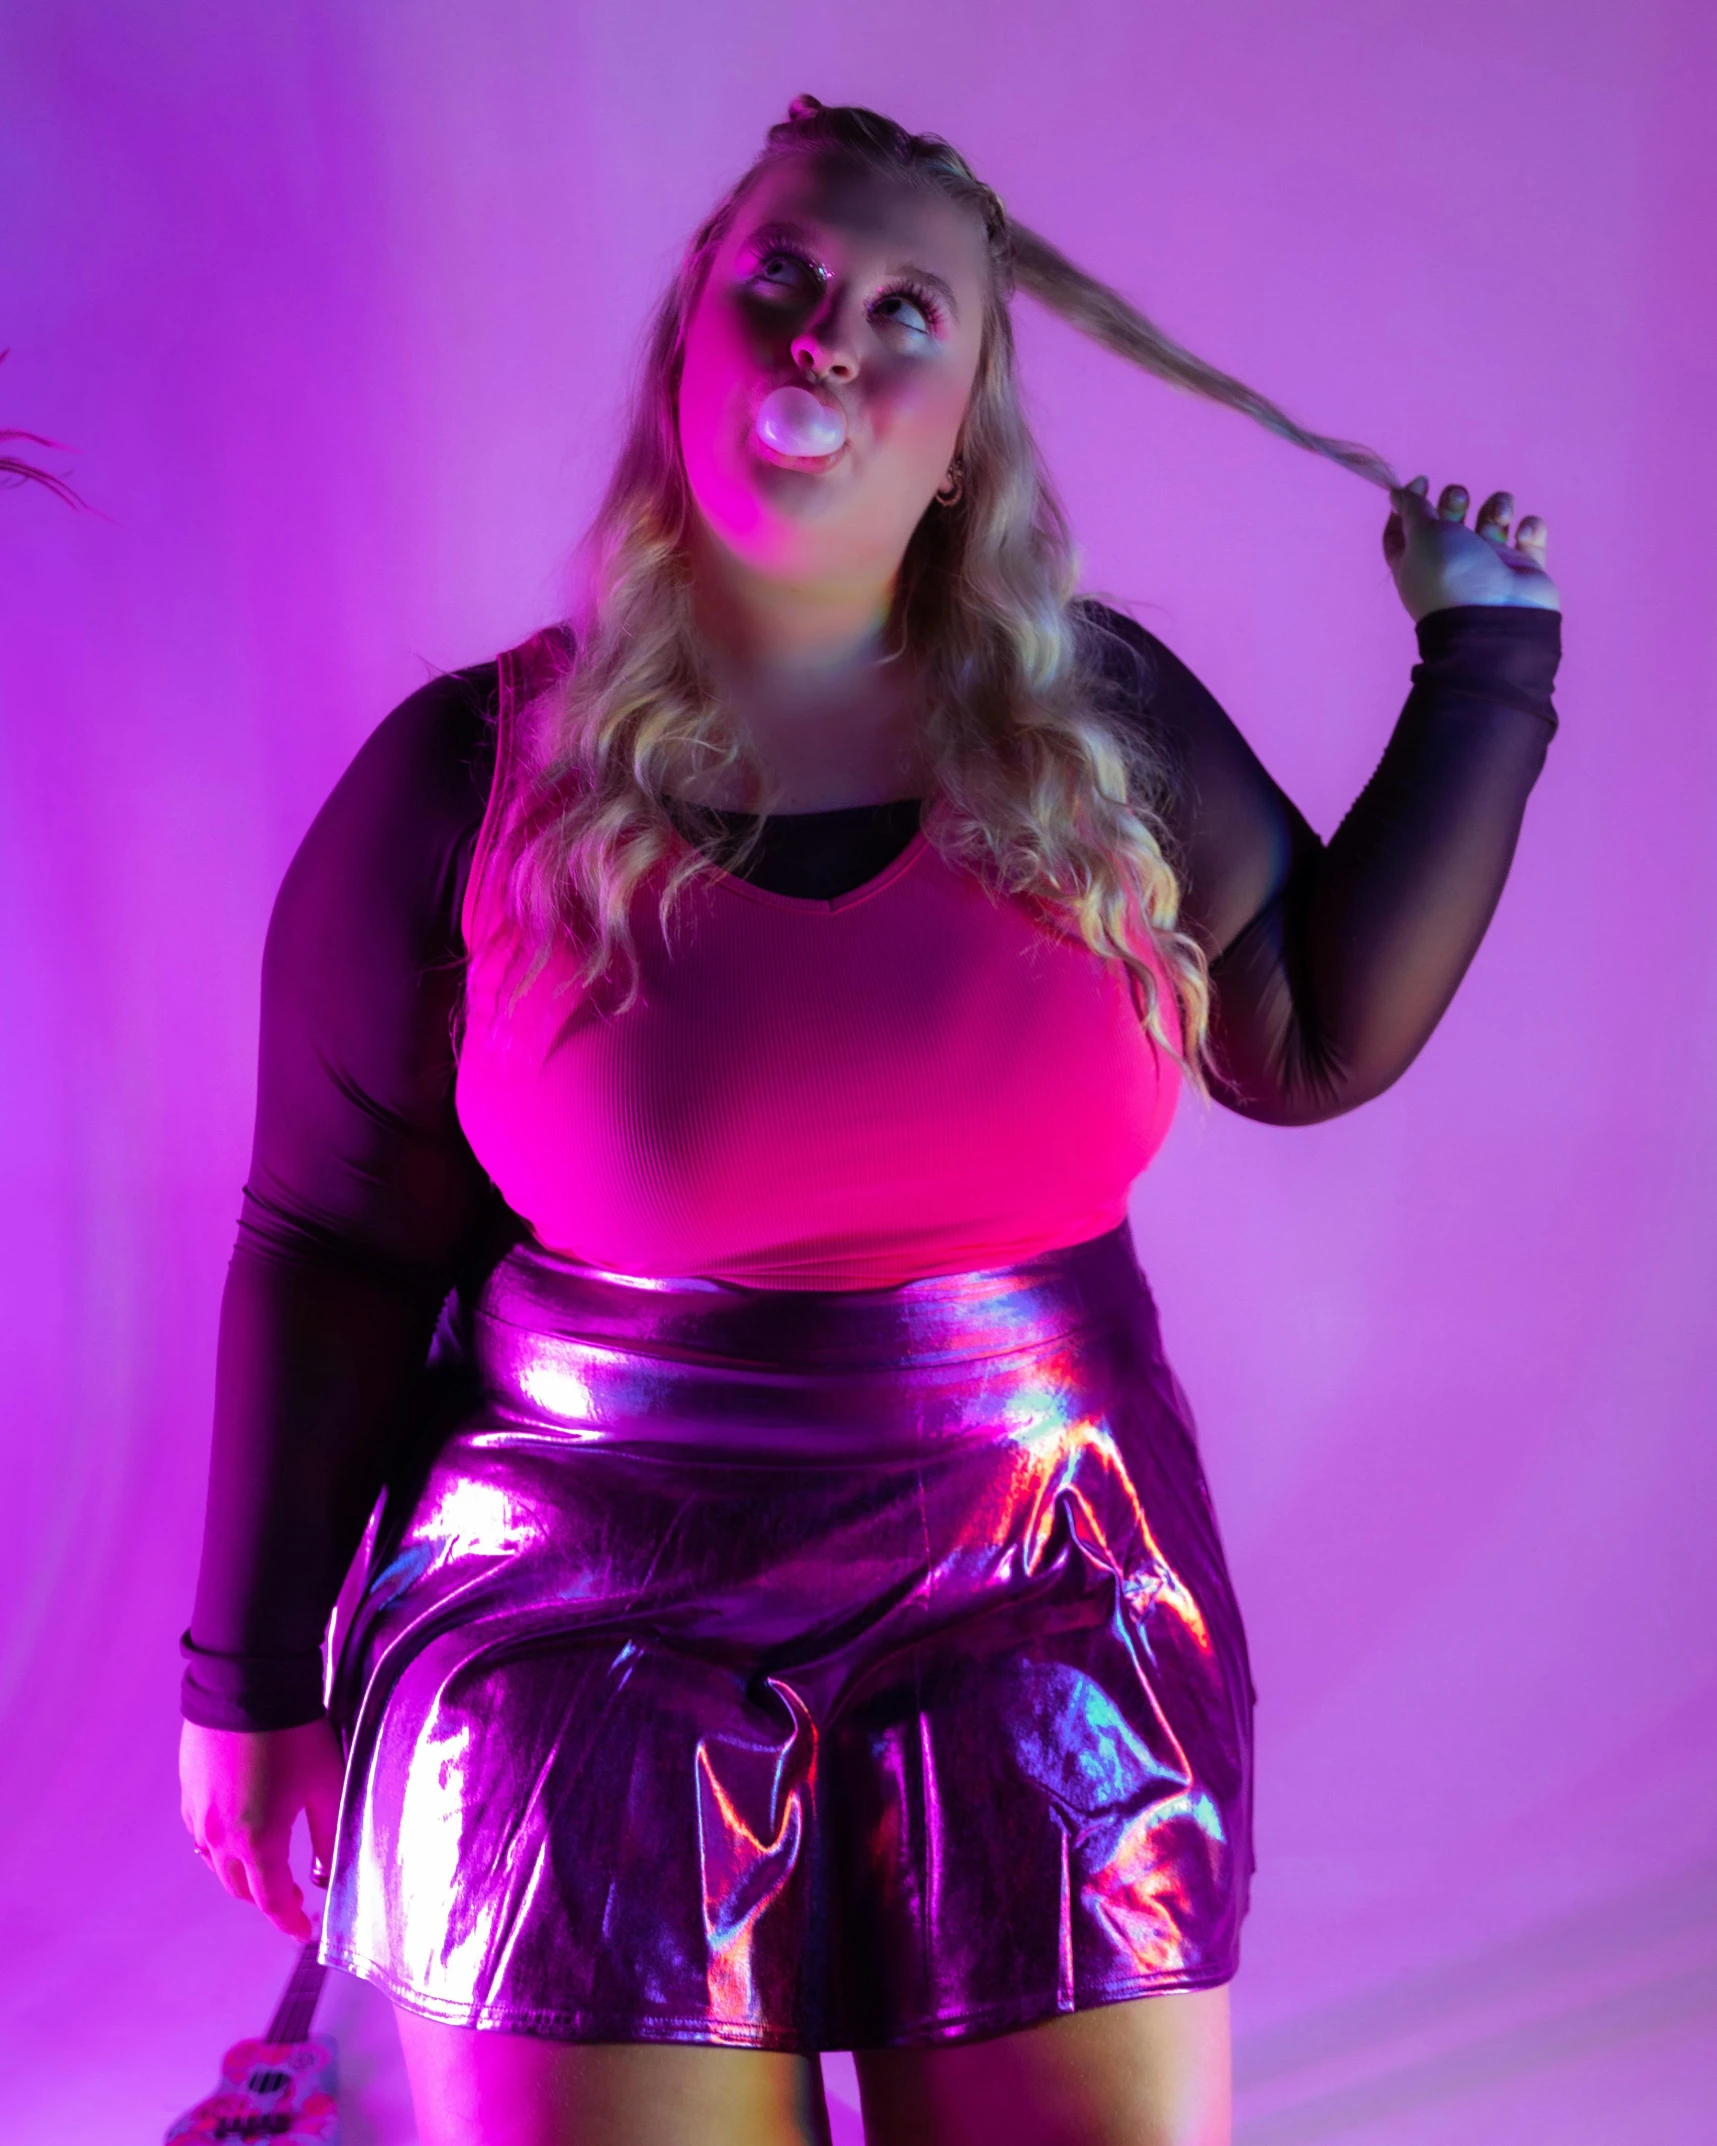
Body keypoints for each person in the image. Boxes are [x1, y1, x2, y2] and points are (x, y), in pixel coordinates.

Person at [178, 96, 1561, 2146]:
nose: (832, 335)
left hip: (1052, 1581)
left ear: (964, 429)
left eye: (907, 310)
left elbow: (1309, 1030)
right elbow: (331, 1246)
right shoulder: (458, 780)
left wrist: (1490, 666)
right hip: (576, 1606)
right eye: (788, 280)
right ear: (693, 340)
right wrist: (248, 1681)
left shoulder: (1105, 734)